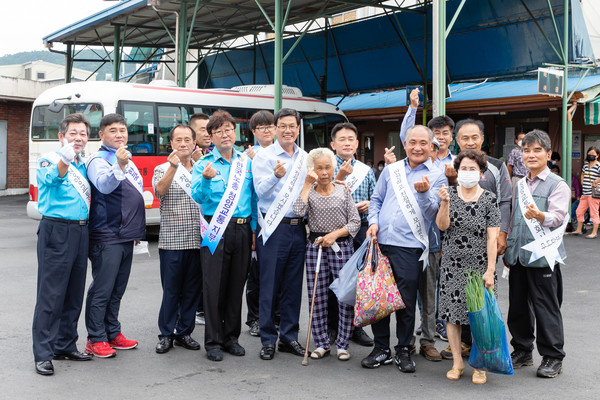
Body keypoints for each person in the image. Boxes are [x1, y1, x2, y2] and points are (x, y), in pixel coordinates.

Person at [363, 125, 447, 372]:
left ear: (432, 146)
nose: (417, 147)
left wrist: (422, 195)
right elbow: (376, 201)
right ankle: (381, 349)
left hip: (411, 247)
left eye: (423, 143)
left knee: (405, 301)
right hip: (381, 243)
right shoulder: (391, 170)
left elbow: (433, 215)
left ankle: (402, 350)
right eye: (412, 142)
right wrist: (373, 223)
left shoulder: (437, 175)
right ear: (406, 144)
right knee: (379, 299)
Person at [191, 110, 257, 361]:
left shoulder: (246, 163)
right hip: (215, 228)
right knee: (213, 286)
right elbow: (198, 197)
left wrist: (252, 231)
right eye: (217, 132)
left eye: (228, 129)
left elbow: (253, 198)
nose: (224, 134)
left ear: (235, 132)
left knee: (235, 285)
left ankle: (232, 338)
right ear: (211, 137)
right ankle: (213, 342)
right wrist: (206, 181)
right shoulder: (203, 164)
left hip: (241, 228)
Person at [504, 129, 570, 378]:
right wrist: (508, 246)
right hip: (519, 255)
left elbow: (559, 217)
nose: (530, 155)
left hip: (543, 256)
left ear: (548, 154)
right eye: (526, 150)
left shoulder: (557, 184)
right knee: (518, 306)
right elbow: (512, 219)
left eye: (536, 150)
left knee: (546, 307)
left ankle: (553, 356)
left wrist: (542, 216)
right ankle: (522, 350)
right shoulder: (519, 184)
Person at [32, 114, 93, 376]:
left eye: (82, 134)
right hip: (56, 229)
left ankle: (65, 344)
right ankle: (43, 354)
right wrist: (64, 160)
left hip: (81, 230)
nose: (78, 138)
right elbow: (51, 179)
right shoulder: (49, 158)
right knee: (51, 295)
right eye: (73, 133)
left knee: (73, 293)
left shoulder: (85, 164)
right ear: (61, 136)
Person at [436, 149, 500, 384]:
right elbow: (442, 227)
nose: (467, 172)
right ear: (457, 171)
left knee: (480, 316)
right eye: (464, 168)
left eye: (473, 168)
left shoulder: (489, 199)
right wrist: (444, 203)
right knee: (453, 316)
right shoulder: (449, 194)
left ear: (481, 173)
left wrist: (490, 270)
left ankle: (480, 365)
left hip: (480, 265)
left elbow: (492, 238)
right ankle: (457, 361)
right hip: (452, 265)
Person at [85, 113, 145, 358]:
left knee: (117, 289)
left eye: (122, 130)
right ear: (101, 134)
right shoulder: (98, 160)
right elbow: (105, 186)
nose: (119, 134)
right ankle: (95, 338)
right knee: (102, 289)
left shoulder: (123, 158)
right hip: (106, 235)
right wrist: (119, 165)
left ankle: (112, 332)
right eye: (113, 130)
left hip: (125, 235)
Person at [293, 148, 361, 360]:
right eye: (318, 168)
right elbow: (298, 211)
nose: (323, 172)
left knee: (344, 295)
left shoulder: (343, 190)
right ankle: (321, 342)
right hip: (316, 247)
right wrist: (305, 184)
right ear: (311, 170)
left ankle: (342, 343)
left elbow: (355, 222)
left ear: (334, 169)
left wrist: (335, 234)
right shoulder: (309, 191)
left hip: (342, 247)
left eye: (327, 167)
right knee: (317, 296)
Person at [252, 108, 308, 360]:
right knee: (270, 285)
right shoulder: (263, 156)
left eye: (292, 126)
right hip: (274, 229)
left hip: (299, 228)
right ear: (275, 128)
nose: (288, 130)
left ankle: (289, 336)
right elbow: (261, 192)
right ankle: (268, 339)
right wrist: (275, 176)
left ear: (298, 129)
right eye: (282, 125)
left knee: (293, 286)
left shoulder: (305, 158)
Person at [453, 118, 512, 355]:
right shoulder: (451, 165)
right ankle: (464, 341)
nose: (469, 142)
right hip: (456, 244)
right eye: (464, 137)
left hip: (486, 241)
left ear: (482, 138)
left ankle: (483, 342)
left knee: (482, 290)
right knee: (457, 292)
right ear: (456, 140)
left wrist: (503, 234)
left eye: (474, 137)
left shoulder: (497, 166)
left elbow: (506, 200)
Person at [152, 125, 203, 354]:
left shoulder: (202, 169)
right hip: (172, 241)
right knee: (171, 291)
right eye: (178, 140)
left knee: (192, 291)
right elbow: (159, 191)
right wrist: (173, 167)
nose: (183, 144)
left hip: (198, 240)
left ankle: (184, 332)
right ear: (171, 143)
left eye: (187, 140)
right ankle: (165, 334)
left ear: (194, 143)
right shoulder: (162, 168)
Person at [329, 122, 376, 347]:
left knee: (358, 281)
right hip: (334, 231)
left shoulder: (366, 171)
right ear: (333, 144)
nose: (347, 143)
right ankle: (332, 327)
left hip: (360, 232)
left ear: (357, 144)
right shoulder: (325, 167)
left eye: (351, 139)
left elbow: (376, 199)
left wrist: (369, 204)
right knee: (334, 281)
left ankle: (357, 327)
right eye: (342, 139)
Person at [244, 110, 276, 337]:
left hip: (282, 224)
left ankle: (275, 317)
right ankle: (254, 318)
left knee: (277, 276)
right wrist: (253, 228)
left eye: (270, 126)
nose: (267, 130)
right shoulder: (246, 160)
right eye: (261, 127)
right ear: (254, 132)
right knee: (256, 276)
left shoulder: (285, 154)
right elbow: (249, 195)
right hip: (258, 223)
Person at [570, 146, 600, 238]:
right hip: (585, 193)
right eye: (589, 153)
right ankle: (579, 230)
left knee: (594, 213)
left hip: (593, 194)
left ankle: (594, 233)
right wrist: (582, 181)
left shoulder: (599, 165)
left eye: (592, 154)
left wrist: (596, 181)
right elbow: (582, 173)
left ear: (597, 155)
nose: (590, 155)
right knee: (579, 211)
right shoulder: (586, 165)